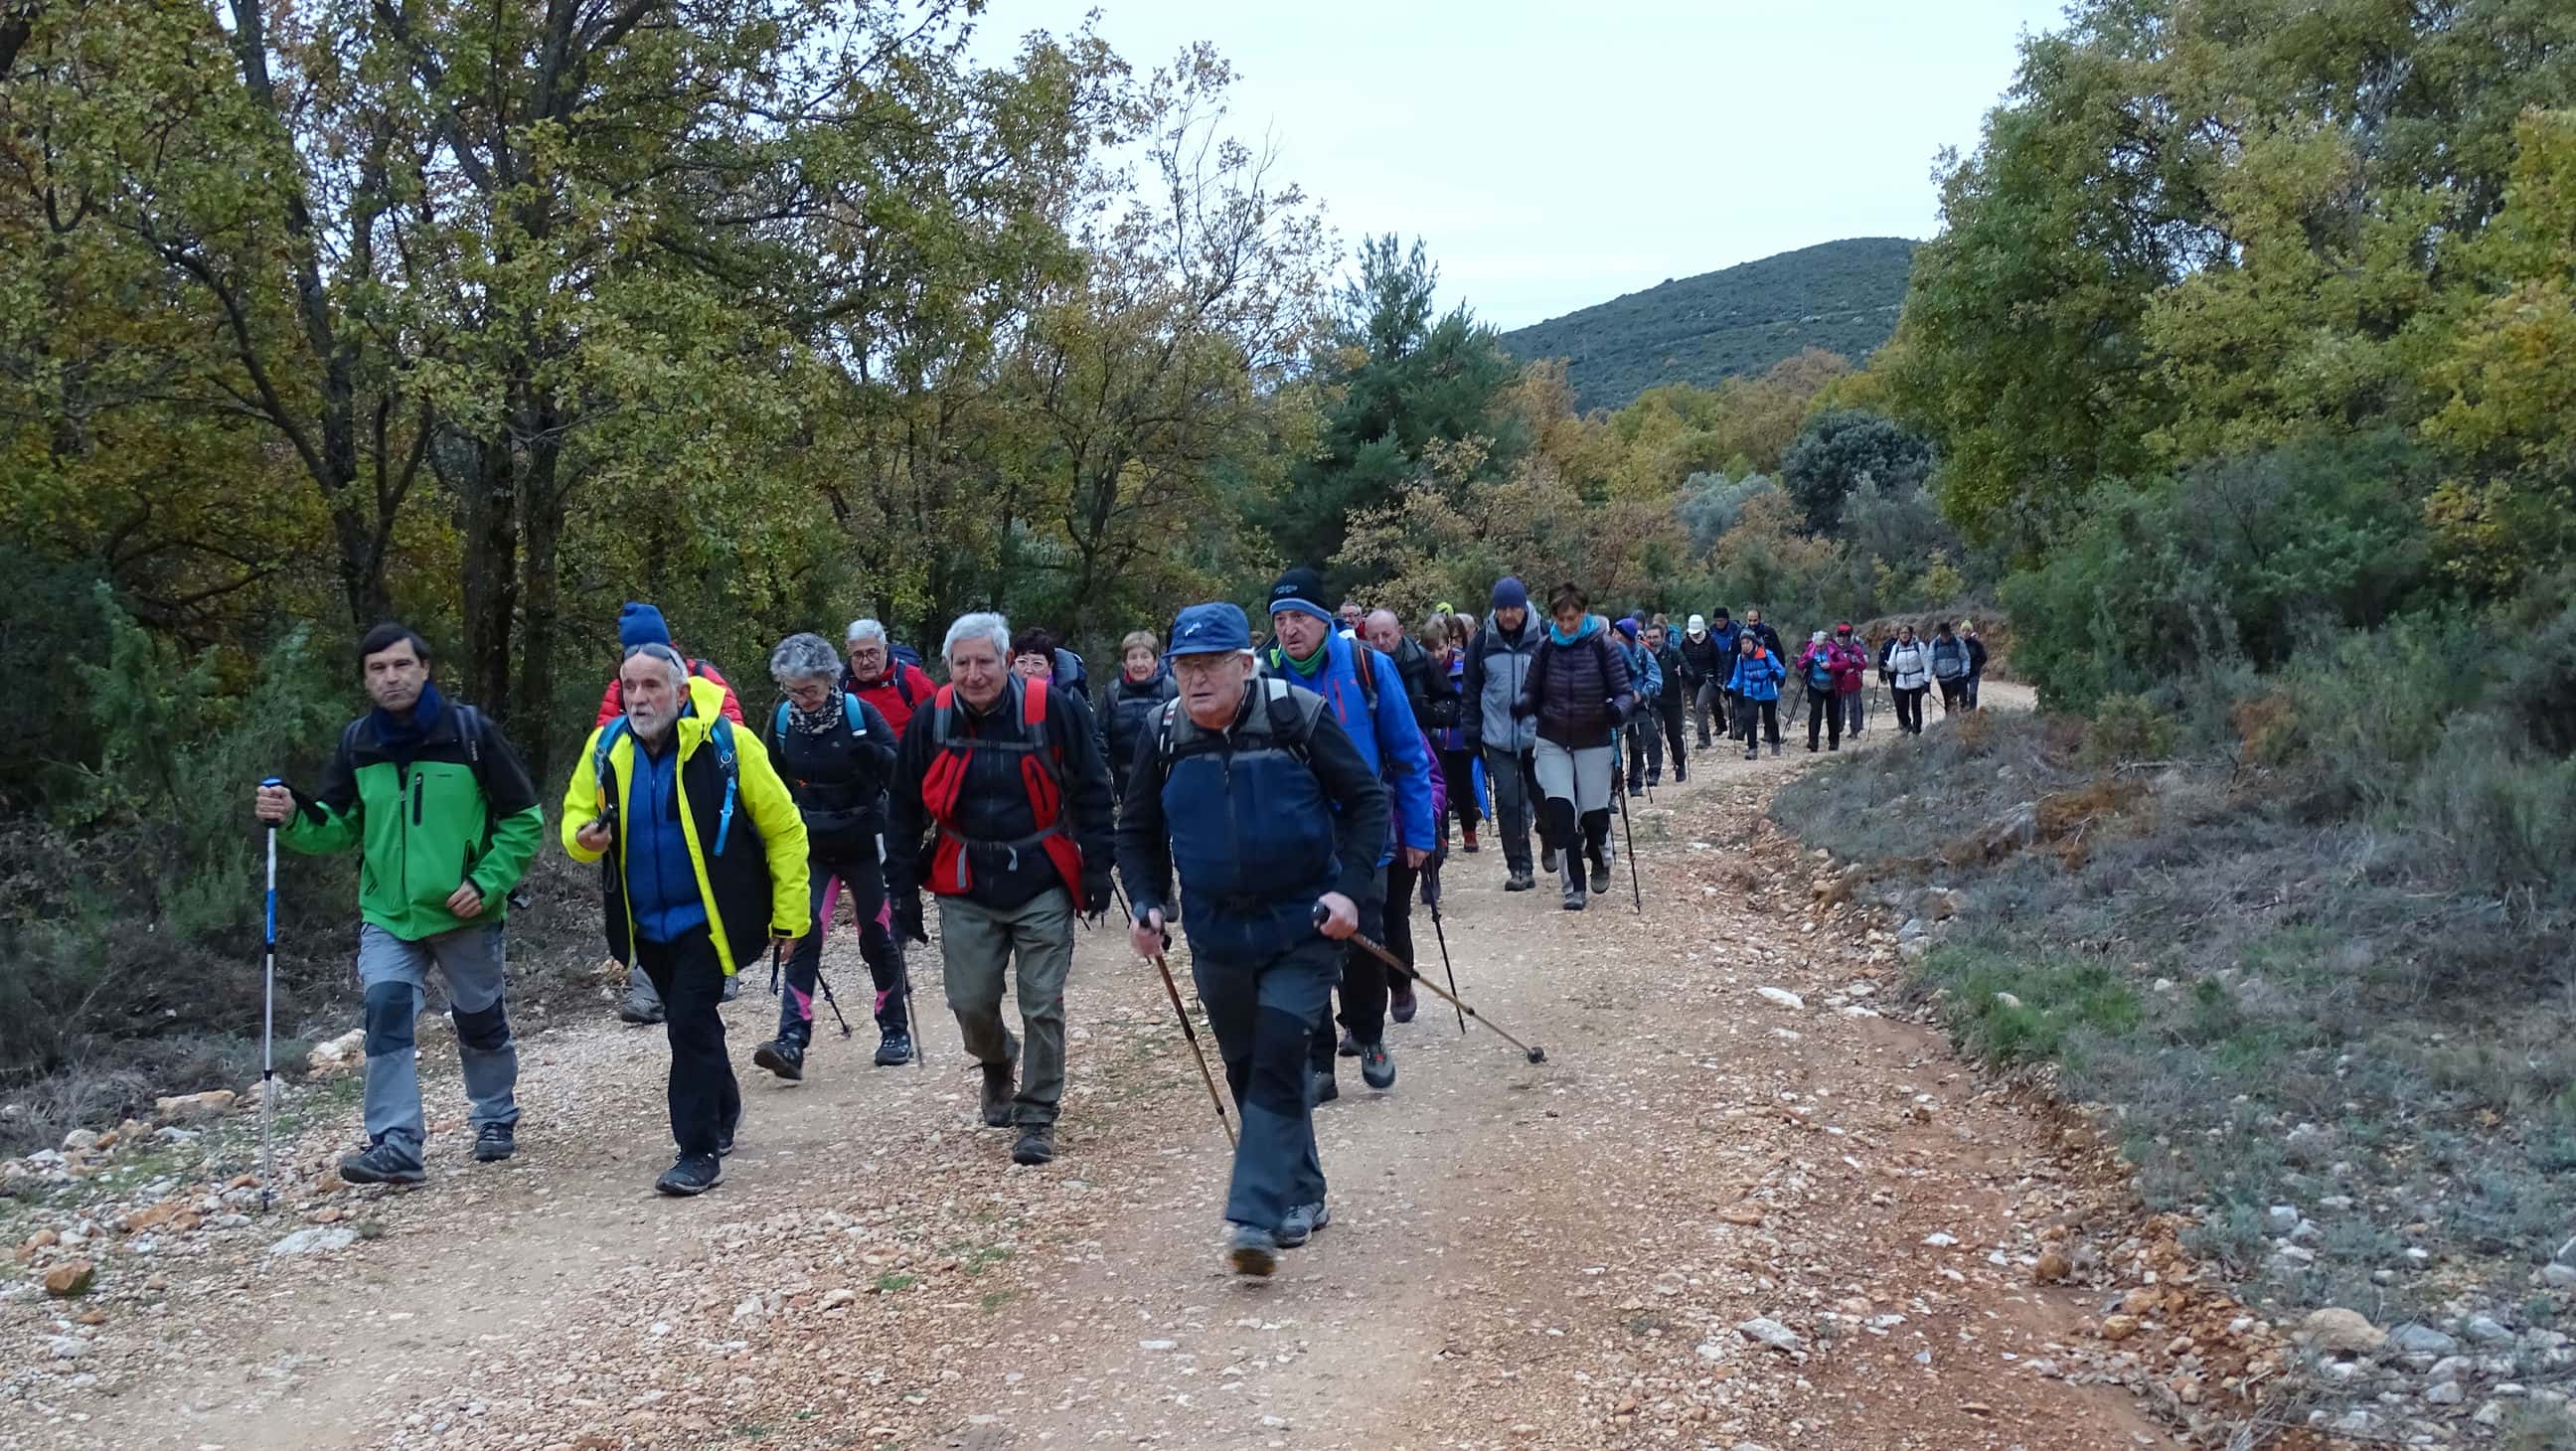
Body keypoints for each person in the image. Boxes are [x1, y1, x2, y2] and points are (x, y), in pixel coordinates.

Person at [1118, 604, 1388, 1273]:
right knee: (1247, 1065)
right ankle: (1304, 1191)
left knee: (1275, 1055)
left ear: (1246, 663)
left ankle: (1255, 1213)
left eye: (1211, 663)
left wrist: (1350, 891)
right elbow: (1135, 831)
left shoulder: (1298, 717)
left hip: (1301, 923)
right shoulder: (1162, 733)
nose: (1196, 677)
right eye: (1185, 665)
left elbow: (1366, 802)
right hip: (1216, 931)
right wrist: (1150, 901)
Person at [255, 623, 544, 1186]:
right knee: (386, 1015)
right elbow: (338, 828)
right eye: (377, 669)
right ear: (365, 678)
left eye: (401, 665)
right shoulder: (358, 743)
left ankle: (494, 1117)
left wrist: (487, 882)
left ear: (425, 667)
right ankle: (397, 1144)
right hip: (388, 914)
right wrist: (292, 816)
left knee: (479, 1019)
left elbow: (523, 820)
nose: (391, 677)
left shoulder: (470, 733)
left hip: (468, 910)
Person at [563, 644, 809, 1196]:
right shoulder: (606, 750)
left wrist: (790, 916)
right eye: (630, 686)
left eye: (652, 686)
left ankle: (696, 1151)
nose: (639, 697)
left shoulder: (727, 745)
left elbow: (785, 829)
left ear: (680, 692)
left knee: (688, 1022)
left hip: (709, 919)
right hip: (646, 924)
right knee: (688, 1018)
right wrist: (583, 839)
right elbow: (576, 818)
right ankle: (723, 1108)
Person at [887, 613, 1115, 1167]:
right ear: (947, 667)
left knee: (1042, 1003)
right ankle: (997, 1063)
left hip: (1040, 875)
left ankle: (1037, 1115)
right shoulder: (932, 719)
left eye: (984, 661)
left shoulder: (1050, 710)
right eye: (962, 663)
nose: (974, 673)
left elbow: (1090, 787)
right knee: (969, 1002)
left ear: (1007, 660)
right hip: (963, 876)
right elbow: (902, 807)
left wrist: (1098, 866)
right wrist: (900, 890)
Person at [1263, 567, 1436, 1100]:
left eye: (1300, 618)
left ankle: (1368, 1034)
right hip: (1290, 832)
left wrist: (1420, 832)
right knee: (1300, 942)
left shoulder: (1368, 667)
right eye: (1280, 619)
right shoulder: (1258, 679)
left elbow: (1407, 754)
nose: (1290, 630)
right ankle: (1317, 1059)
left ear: (1321, 620)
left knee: (1365, 938)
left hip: (1364, 827)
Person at [756, 633, 913, 1078]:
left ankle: (894, 1030)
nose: (801, 699)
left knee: (877, 938)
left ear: (830, 680)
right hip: (814, 845)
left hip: (866, 841)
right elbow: (769, 782)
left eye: (809, 690)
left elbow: (902, 772)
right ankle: (791, 1040)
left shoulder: (860, 715)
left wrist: (876, 758)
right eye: (792, 690)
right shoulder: (784, 719)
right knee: (803, 934)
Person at [601, 602, 746, 1025]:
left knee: (710, 891)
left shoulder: (698, 676)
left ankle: (723, 969)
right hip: (640, 809)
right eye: (631, 647)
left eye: (646, 644)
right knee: (644, 897)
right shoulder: (622, 687)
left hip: (703, 807)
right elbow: (603, 741)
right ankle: (649, 993)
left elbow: (732, 730)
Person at [1513, 583, 1636, 910]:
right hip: (1552, 738)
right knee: (1561, 813)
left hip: (1593, 737)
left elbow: (1623, 692)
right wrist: (1523, 705)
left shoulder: (1603, 647)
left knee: (1594, 815)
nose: (1567, 624)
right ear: (1552, 616)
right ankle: (1574, 888)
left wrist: (1618, 710)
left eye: (1572, 617)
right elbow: (1532, 690)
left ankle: (1599, 855)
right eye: (1561, 618)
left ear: (1583, 614)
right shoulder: (1545, 648)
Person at [1461, 576, 1543, 891]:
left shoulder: (1543, 637)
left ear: (1524, 607)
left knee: (1546, 801)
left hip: (1539, 736)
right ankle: (1520, 868)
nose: (1509, 615)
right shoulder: (1481, 643)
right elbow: (1470, 692)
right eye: (1502, 608)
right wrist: (1471, 734)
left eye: (1514, 608)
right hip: (1497, 737)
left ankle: (1548, 842)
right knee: (1509, 802)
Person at [1421, 612, 1481, 853]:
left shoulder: (1464, 665)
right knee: (1439, 790)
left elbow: (1470, 699)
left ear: (1449, 644)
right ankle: (1442, 837)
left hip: (1459, 738)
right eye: (1431, 649)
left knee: (1463, 789)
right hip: (1434, 739)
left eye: (1441, 648)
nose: (1437, 654)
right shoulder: (1422, 670)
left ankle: (1469, 832)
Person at [1102, 630, 1179, 805]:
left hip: (1164, 778)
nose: (1139, 663)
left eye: (1145, 657)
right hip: (1125, 781)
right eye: (1133, 657)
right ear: (1124, 662)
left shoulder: (1171, 689)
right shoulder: (1113, 692)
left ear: (1156, 661)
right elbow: (1102, 736)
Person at [843, 619, 937, 738]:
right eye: (858, 655)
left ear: (885, 649)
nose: (865, 662)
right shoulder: (840, 687)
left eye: (872, 653)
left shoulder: (911, 679)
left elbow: (941, 726)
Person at [1613, 618, 1664, 796]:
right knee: (1614, 750)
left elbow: (1656, 678)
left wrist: (1642, 693)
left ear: (1627, 636)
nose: (1614, 635)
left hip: (1638, 706)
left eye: (1618, 633)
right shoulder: (1609, 651)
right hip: (1616, 707)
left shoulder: (1643, 653)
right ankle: (1614, 788)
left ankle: (1635, 783)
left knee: (1636, 747)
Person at [1727, 630, 1785, 761]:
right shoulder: (1740, 658)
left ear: (1754, 642)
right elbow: (1738, 676)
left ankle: (1775, 743)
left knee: (1769, 720)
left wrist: (1776, 674)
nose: (1745, 646)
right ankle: (1752, 748)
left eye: (1747, 642)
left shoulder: (1766, 655)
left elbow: (1780, 670)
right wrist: (1731, 687)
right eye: (1742, 643)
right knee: (1749, 718)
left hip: (1768, 691)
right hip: (1750, 691)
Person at [1645, 621, 1689, 784]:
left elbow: (1689, 674)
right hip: (1653, 701)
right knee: (1653, 735)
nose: (1652, 640)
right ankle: (1654, 772)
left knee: (1674, 735)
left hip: (1672, 700)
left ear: (1663, 637)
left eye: (1655, 637)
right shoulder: (1643, 654)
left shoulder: (1674, 653)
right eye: (1649, 637)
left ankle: (1680, 765)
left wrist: (1681, 673)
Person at [1678, 613, 1729, 748]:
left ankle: (1702, 738)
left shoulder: (1711, 642)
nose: (1694, 636)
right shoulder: (1685, 643)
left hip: (1708, 679)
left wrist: (1719, 681)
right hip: (1691, 681)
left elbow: (1719, 662)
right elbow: (1681, 660)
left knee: (1701, 705)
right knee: (1698, 708)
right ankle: (1706, 738)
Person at [1884, 624, 1933, 734]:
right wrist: (1885, 665)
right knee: (1900, 706)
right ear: (1899, 635)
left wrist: (1927, 680)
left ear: (1911, 634)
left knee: (1916, 706)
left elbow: (1927, 664)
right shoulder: (1896, 648)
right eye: (1902, 633)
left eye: (1906, 633)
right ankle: (1906, 724)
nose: (1904, 635)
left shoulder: (1919, 646)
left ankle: (1917, 728)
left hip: (1917, 681)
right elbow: (1892, 667)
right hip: (1902, 682)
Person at [1930, 621, 1973, 717]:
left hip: (1955, 676)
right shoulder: (1934, 644)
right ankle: (1951, 721)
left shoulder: (1958, 642)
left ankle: (1956, 719)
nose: (1945, 637)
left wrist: (1965, 673)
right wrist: (1928, 676)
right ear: (1940, 633)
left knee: (1952, 699)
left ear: (1949, 632)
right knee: (1947, 701)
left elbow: (1965, 658)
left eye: (1947, 634)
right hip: (1942, 678)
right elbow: (1931, 660)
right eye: (1943, 634)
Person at [1834, 623, 1868, 736]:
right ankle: (1838, 727)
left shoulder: (1856, 649)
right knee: (1838, 707)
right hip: (1839, 682)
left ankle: (1855, 729)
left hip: (1853, 682)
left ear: (1849, 637)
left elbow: (1863, 665)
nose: (1842, 639)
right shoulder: (1833, 649)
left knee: (1854, 707)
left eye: (1845, 637)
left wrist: (1856, 662)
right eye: (1840, 636)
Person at [1962, 620, 1990, 709]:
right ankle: (1963, 713)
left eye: (1967, 630)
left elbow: (1984, 657)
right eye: (1963, 630)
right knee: (1962, 695)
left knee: (1972, 693)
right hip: (1962, 674)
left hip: (1974, 673)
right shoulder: (1959, 644)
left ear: (1971, 632)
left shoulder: (1976, 643)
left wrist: (1978, 666)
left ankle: (1973, 713)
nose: (1965, 633)